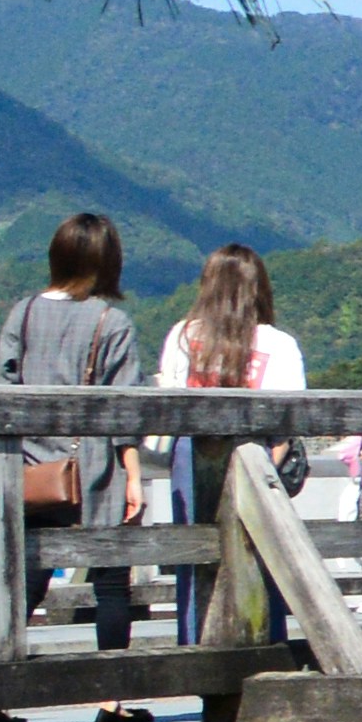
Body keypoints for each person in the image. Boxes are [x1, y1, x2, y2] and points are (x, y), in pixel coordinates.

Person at [0, 209, 144, 722]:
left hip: (32, 468)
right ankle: (110, 703)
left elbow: (5, 391)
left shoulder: (22, 314)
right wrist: (134, 475)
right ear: (106, 263)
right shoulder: (110, 322)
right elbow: (124, 409)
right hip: (94, 468)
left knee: (25, 582)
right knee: (112, 584)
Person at [155, 243, 309, 651]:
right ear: (259, 288)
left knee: (196, 557)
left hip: (191, 455)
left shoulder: (184, 335)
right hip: (257, 454)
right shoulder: (277, 343)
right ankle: (266, 649)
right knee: (264, 553)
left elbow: (168, 402)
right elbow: (288, 421)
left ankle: (195, 650)